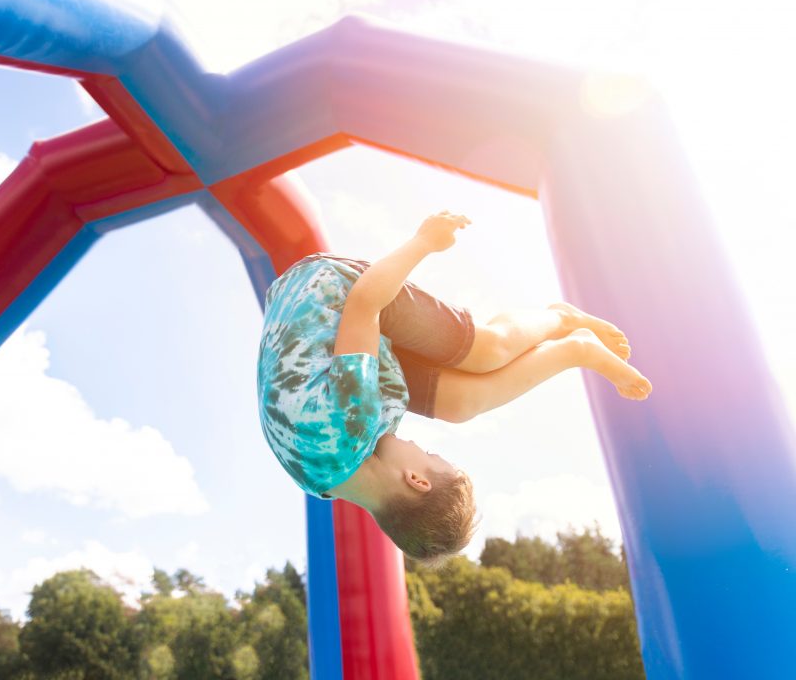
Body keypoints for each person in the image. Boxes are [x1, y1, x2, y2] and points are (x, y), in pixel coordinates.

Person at [256, 211, 652, 563]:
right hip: (324, 336)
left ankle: (559, 321)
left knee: (488, 349)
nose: (417, 446)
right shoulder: (322, 481)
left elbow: (365, 304)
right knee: (462, 404)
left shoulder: (351, 423)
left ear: (417, 480)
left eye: (427, 454)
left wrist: (424, 242)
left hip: (333, 291)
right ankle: (573, 352)